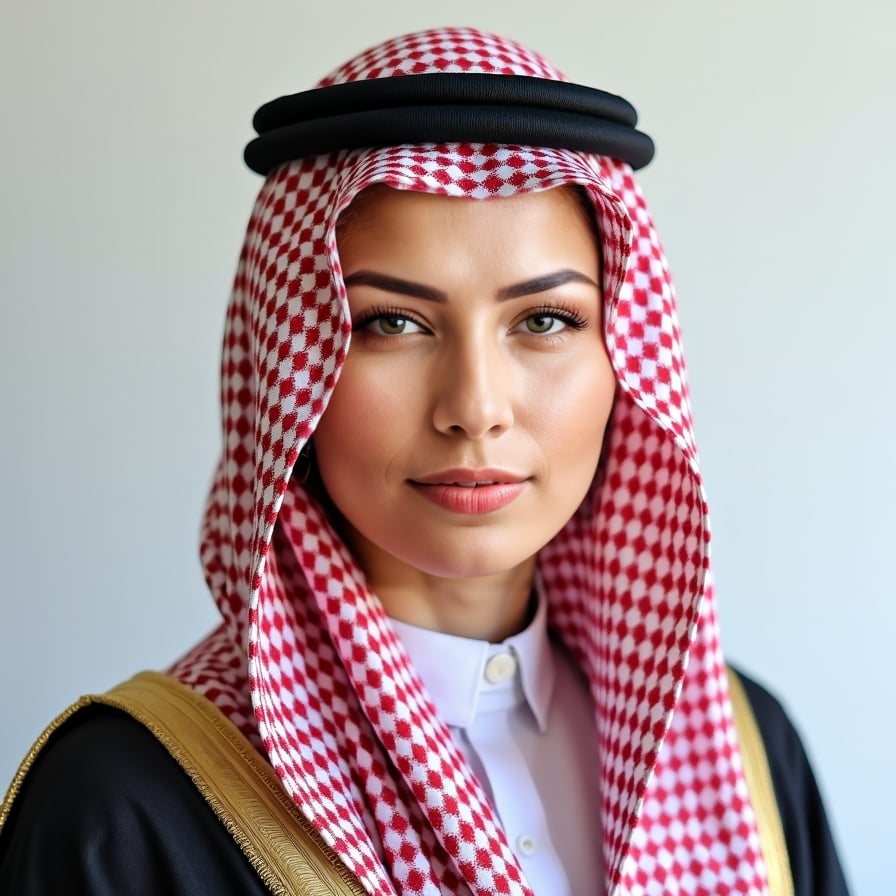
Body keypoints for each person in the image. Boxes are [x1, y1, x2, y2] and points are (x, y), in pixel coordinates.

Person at [0, 26, 849, 896]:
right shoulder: (125, 805)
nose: (475, 408)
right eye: (390, 323)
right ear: (292, 366)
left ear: (625, 360)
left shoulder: (747, 755)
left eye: (545, 319)